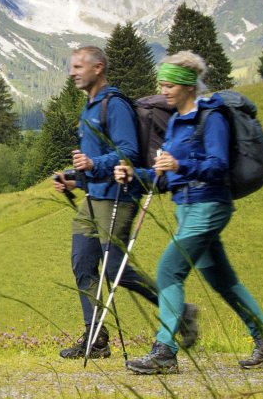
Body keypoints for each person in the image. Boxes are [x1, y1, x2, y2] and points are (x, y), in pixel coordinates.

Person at [115, 51, 263, 374]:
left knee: (168, 271)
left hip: (208, 206)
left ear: (188, 86)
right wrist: (137, 174)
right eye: (161, 84)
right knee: (224, 280)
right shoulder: (176, 122)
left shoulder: (212, 116)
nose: (163, 90)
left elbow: (217, 166)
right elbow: (167, 177)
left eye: (169, 85)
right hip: (187, 209)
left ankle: (164, 351)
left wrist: (180, 163)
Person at [53, 46, 193, 359]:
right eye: (71, 66)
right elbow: (92, 162)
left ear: (98, 68)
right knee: (82, 263)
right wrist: (71, 178)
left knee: (116, 269)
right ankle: (95, 336)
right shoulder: (89, 107)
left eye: (78, 66)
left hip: (119, 196)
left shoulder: (114, 105)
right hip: (92, 197)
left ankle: (180, 311)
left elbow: (126, 153)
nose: (72, 72)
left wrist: (92, 165)